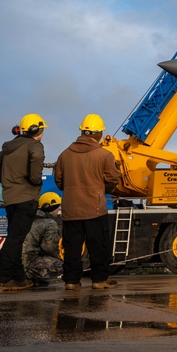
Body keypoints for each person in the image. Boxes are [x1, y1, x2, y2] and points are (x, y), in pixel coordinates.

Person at [54, 114, 122, 290]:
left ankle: (71, 281)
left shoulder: (64, 155)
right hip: (95, 208)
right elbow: (114, 179)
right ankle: (99, 280)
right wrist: (103, 190)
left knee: (72, 248)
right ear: (98, 133)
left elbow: (59, 181)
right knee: (98, 246)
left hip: (71, 209)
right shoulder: (104, 155)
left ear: (82, 131)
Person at [0, 113, 47, 292]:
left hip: (11, 198)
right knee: (15, 239)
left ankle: (19, 278)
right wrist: (35, 180)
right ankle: (2, 279)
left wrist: (6, 180)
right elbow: (37, 157)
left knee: (15, 238)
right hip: (26, 198)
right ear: (37, 129)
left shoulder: (10, 148)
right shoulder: (34, 145)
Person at [23, 192, 64, 286]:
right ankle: (31, 276)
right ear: (50, 207)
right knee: (61, 265)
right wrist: (60, 258)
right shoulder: (49, 223)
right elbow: (50, 248)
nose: (59, 209)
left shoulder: (28, 219)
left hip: (16, 262)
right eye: (58, 206)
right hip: (29, 263)